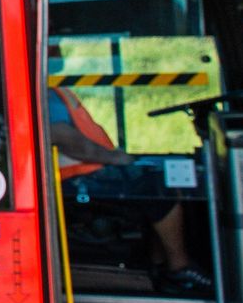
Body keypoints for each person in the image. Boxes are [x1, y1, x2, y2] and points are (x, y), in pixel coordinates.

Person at [49, 86, 208, 291]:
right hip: (73, 182)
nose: (57, 52)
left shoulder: (52, 89)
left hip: (90, 173)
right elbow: (60, 134)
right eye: (55, 50)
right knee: (155, 190)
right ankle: (180, 268)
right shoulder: (37, 89)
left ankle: (157, 267)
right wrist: (114, 157)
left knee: (157, 180)